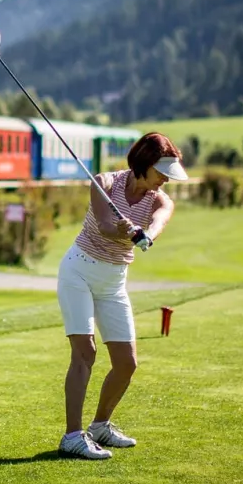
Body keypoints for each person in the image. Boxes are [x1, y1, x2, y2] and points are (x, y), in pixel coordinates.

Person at [56, 132, 186, 460]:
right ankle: (72, 436)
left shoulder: (160, 198)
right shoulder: (105, 183)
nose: (165, 181)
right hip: (79, 273)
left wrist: (145, 234)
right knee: (85, 352)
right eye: (162, 173)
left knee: (126, 364)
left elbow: (159, 222)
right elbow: (101, 224)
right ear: (144, 165)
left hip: (113, 282)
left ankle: (100, 425)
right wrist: (122, 229)